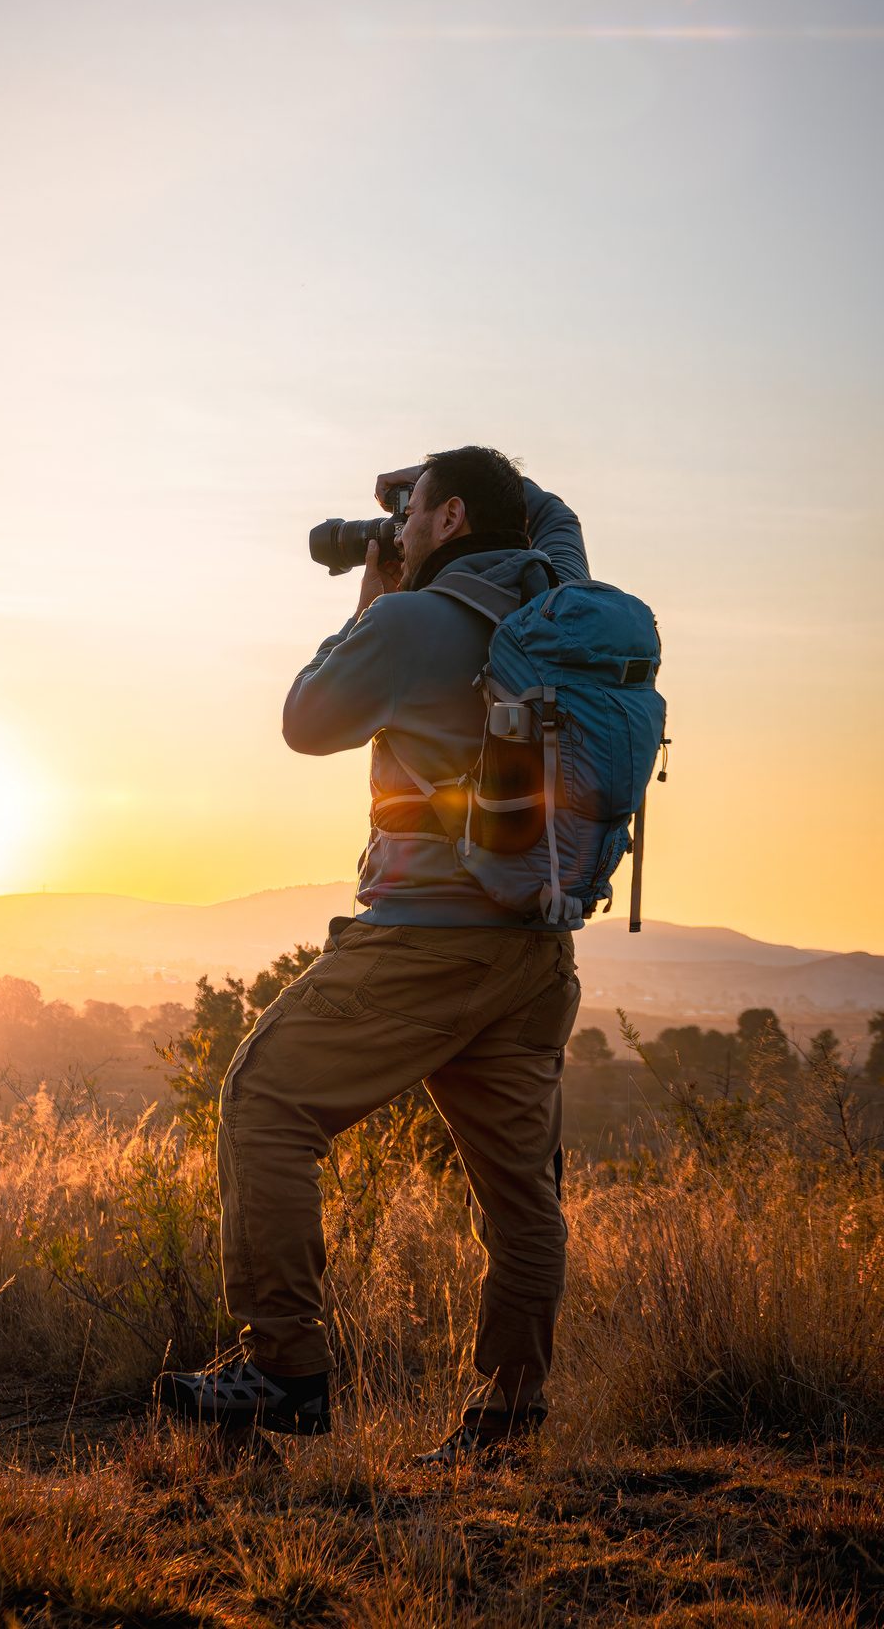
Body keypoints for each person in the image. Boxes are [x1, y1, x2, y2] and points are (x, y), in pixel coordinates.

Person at [155, 446, 588, 1464]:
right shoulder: (562, 598)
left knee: (266, 1101)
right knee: (521, 1195)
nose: (397, 527)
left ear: (447, 521)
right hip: (536, 951)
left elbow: (308, 724)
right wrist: (431, 486)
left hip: (426, 940)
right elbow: (550, 511)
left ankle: (290, 1370)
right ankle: (508, 1420)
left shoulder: (410, 623)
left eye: (415, 513)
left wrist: (372, 590)